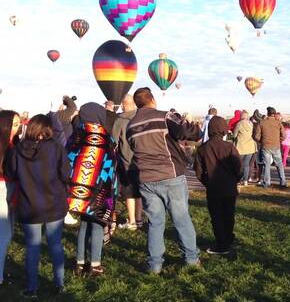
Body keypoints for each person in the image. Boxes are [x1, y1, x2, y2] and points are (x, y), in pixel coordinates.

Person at [127, 88, 202, 272]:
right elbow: (191, 134)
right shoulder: (164, 117)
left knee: (155, 222)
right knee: (181, 218)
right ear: (152, 99)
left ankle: (154, 264)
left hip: (145, 178)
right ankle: (191, 259)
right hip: (171, 175)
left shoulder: (131, 126)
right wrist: (190, 124)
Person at [6, 115, 69, 297]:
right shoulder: (56, 148)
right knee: (55, 245)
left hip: (29, 205)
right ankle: (59, 283)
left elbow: (11, 173)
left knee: (32, 246)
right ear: (48, 128)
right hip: (54, 204)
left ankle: (32, 288)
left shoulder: (18, 150)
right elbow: (66, 173)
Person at [67, 103, 117, 277]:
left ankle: (79, 263)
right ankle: (95, 264)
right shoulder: (107, 139)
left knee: (84, 224)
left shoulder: (76, 136)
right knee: (97, 224)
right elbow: (112, 165)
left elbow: (68, 159)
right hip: (100, 190)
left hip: (79, 191)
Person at [194, 116, 242, 255]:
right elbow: (238, 167)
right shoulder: (229, 147)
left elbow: (198, 171)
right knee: (229, 213)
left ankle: (222, 243)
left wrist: (207, 182)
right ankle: (227, 238)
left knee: (216, 215)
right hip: (229, 187)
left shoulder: (203, 148)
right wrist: (235, 179)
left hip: (213, 188)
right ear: (224, 130)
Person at [112, 95, 143, 230]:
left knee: (129, 192)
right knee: (140, 191)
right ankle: (139, 218)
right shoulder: (141, 117)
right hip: (142, 160)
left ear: (124, 105)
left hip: (127, 161)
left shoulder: (121, 119)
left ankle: (131, 222)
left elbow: (113, 140)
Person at [0, 110, 20, 286]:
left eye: (19, 124)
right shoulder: (8, 146)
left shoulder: (12, 144)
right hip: (4, 188)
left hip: (7, 188)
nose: (18, 127)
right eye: (14, 124)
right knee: (4, 235)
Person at [254, 107, 287, 188]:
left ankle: (266, 183)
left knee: (267, 165)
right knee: (279, 164)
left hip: (266, 146)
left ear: (267, 113)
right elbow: (284, 135)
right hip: (276, 145)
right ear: (274, 114)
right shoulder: (278, 123)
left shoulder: (261, 122)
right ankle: (283, 182)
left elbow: (256, 136)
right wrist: (278, 140)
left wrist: (261, 141)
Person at [233, 110, 257, 186]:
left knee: (239, 164)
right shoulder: (251, 124)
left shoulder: (239, 124)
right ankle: (245, 180)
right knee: (246, 164)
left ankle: (238, 179)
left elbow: (234, 135)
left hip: (241, 147)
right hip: (250, 146)